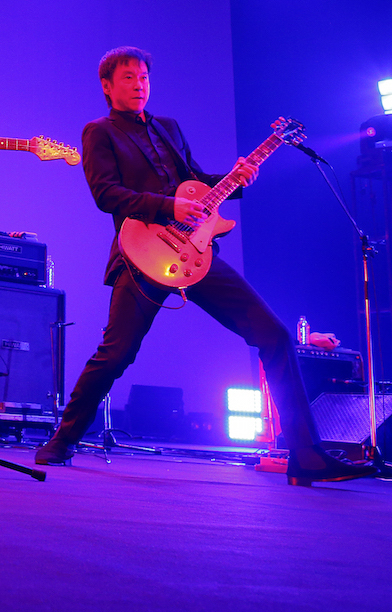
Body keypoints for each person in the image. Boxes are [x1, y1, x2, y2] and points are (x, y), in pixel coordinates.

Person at [34, 46, 375, 487]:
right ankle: (63, 440)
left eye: (144, 77)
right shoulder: (99, 132)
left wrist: (234, 178)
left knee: (273, 335)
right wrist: (168, 204)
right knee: (117, 353)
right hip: (142, 253)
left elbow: (196, 185)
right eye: (129, 78)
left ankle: (305, 455)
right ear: (107, 86)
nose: (140, 84)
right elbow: (107, 195)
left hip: (194, 253)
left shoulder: (169, 128)